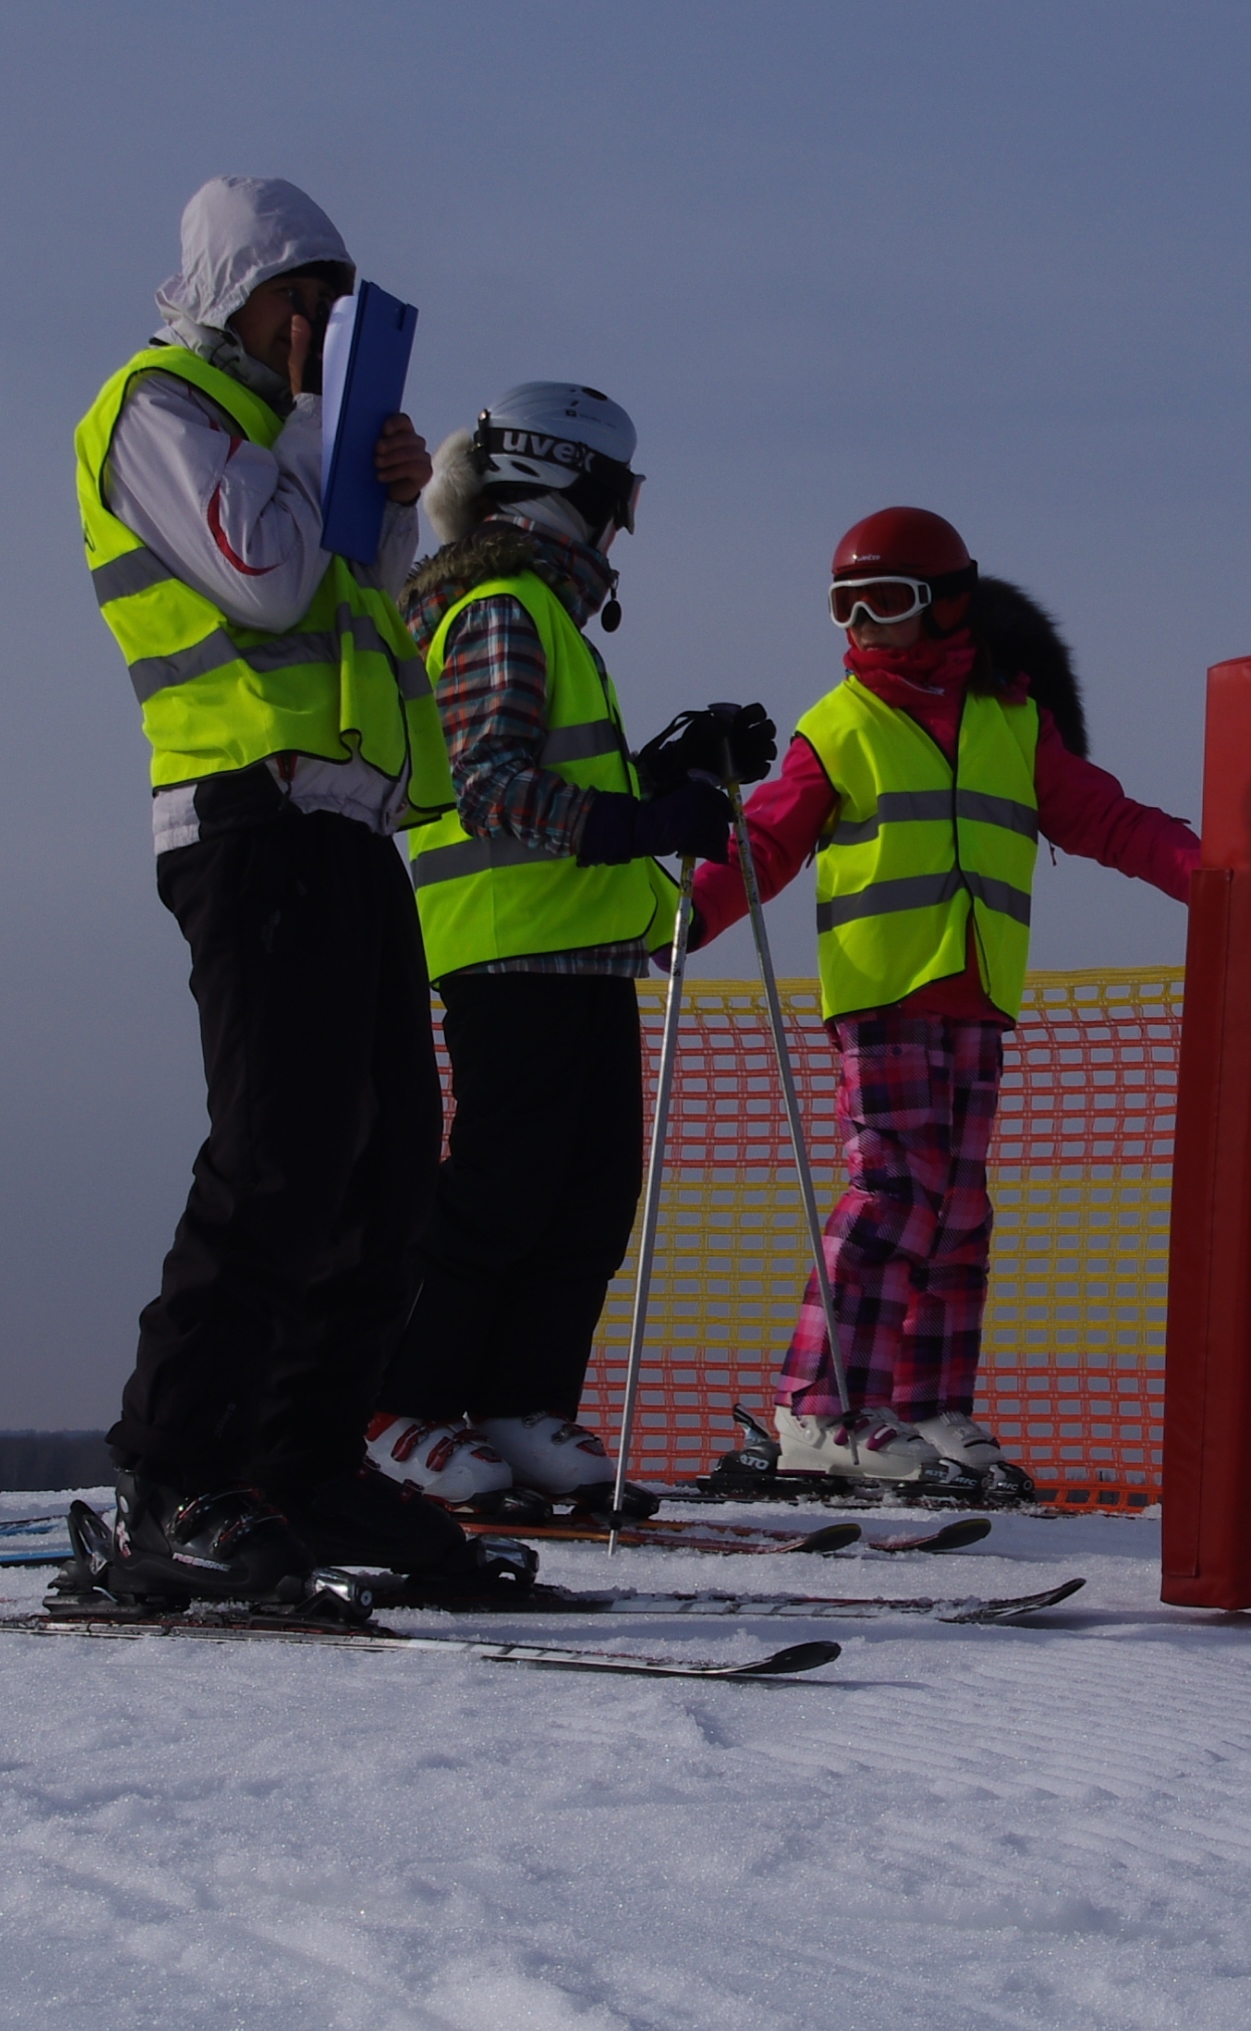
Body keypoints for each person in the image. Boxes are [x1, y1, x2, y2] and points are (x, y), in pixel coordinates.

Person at [74, 174, 498, 1600]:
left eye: (330, 308)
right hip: (244, 822)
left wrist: (381, 509)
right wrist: (314, 431)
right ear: (231, 291)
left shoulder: (268, 429)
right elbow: (258, 576)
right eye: (295, 300)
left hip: (348, 827)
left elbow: (348, 600)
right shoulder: (157, 409)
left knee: (384, 1169)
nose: (312, 327)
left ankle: (304, 1460)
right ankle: (170, 1475)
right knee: (275, 1153)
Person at [685, 508, 1197, 1492]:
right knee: (893, 1192)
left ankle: (925, 1409)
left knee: (958, 1211)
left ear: (949, 604)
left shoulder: (1014, 721)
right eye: (847, 605)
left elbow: (1105, 818)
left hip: (977, 997)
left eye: (888, 601)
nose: (866, 625)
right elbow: (770, 835)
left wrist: (1215, 876)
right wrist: (690, 911)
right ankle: (820, 1408)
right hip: (883, 992)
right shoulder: (840, 725)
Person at [365, 385, 772, 1516]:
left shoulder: (546, 617)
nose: (624, 527)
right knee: (503, 1191)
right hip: (510, 952)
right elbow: (488, 786)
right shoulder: (499, 607)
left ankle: (514, 1402)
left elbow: (563, 777)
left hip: (580, 950)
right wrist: (643, 823)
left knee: (588, 1199)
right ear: (575, 488)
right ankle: (397, 1408)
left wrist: (665, 773)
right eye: (621, 501)